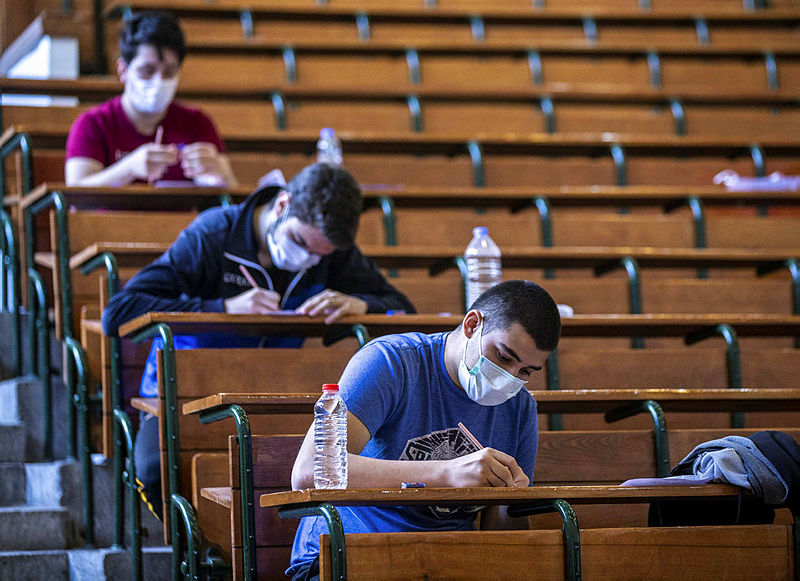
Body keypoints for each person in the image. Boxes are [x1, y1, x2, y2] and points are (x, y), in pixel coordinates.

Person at [102, 162, 415, 517]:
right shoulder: (214, 233)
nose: (307, 259)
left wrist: (363, 304)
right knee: (153, 471)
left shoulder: (330, 247)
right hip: (186, 394)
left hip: (276, 394)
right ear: (282, 205)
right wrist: (221, 308)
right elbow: (119, 312)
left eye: (319, 255)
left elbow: (401, 307)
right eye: (300, 243)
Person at [287, 279, 561, 580]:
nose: (509, 376)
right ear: (472, 325)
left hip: (450, 563)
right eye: (503, 356)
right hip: (349, 554)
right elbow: (310, 472)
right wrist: (447, 473)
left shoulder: (519, 407)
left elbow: (504, 535)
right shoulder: (391, 362)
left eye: (525, 371)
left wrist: (511, 499)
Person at [65, 11, 237, 187]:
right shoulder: (93, 124)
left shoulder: (197, 123)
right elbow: (76, 192)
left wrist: (218, 174)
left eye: (169, 71)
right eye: (147, 71)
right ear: (123, 70)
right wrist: (129, 168)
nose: (159, 81)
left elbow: (231, 193)